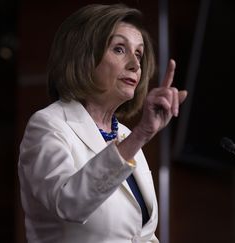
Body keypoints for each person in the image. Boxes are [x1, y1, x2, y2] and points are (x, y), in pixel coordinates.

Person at [18, 4, 187, 243]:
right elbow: (69, 204)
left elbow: (142, 236)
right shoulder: (48, 125)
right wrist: (141, 135)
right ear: (84, 56)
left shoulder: (125, 135)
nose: (135, 65)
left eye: (138, 54)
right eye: (119, 49)